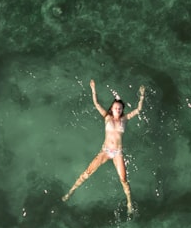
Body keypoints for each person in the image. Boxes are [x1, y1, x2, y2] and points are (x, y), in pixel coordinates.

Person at [62, 79, 146, 212]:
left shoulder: (125, 119)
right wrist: (93, 89)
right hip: (106, 151)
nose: (118, 109)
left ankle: (129, 203)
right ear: (112, 109)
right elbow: (96, 103)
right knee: (88, 172)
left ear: (122, 109)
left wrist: (142, 95)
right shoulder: (107, 117)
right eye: (115, 108)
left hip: (118, 152)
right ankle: (71, 191)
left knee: (123, 179)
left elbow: (139, 109)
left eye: (120, 108)